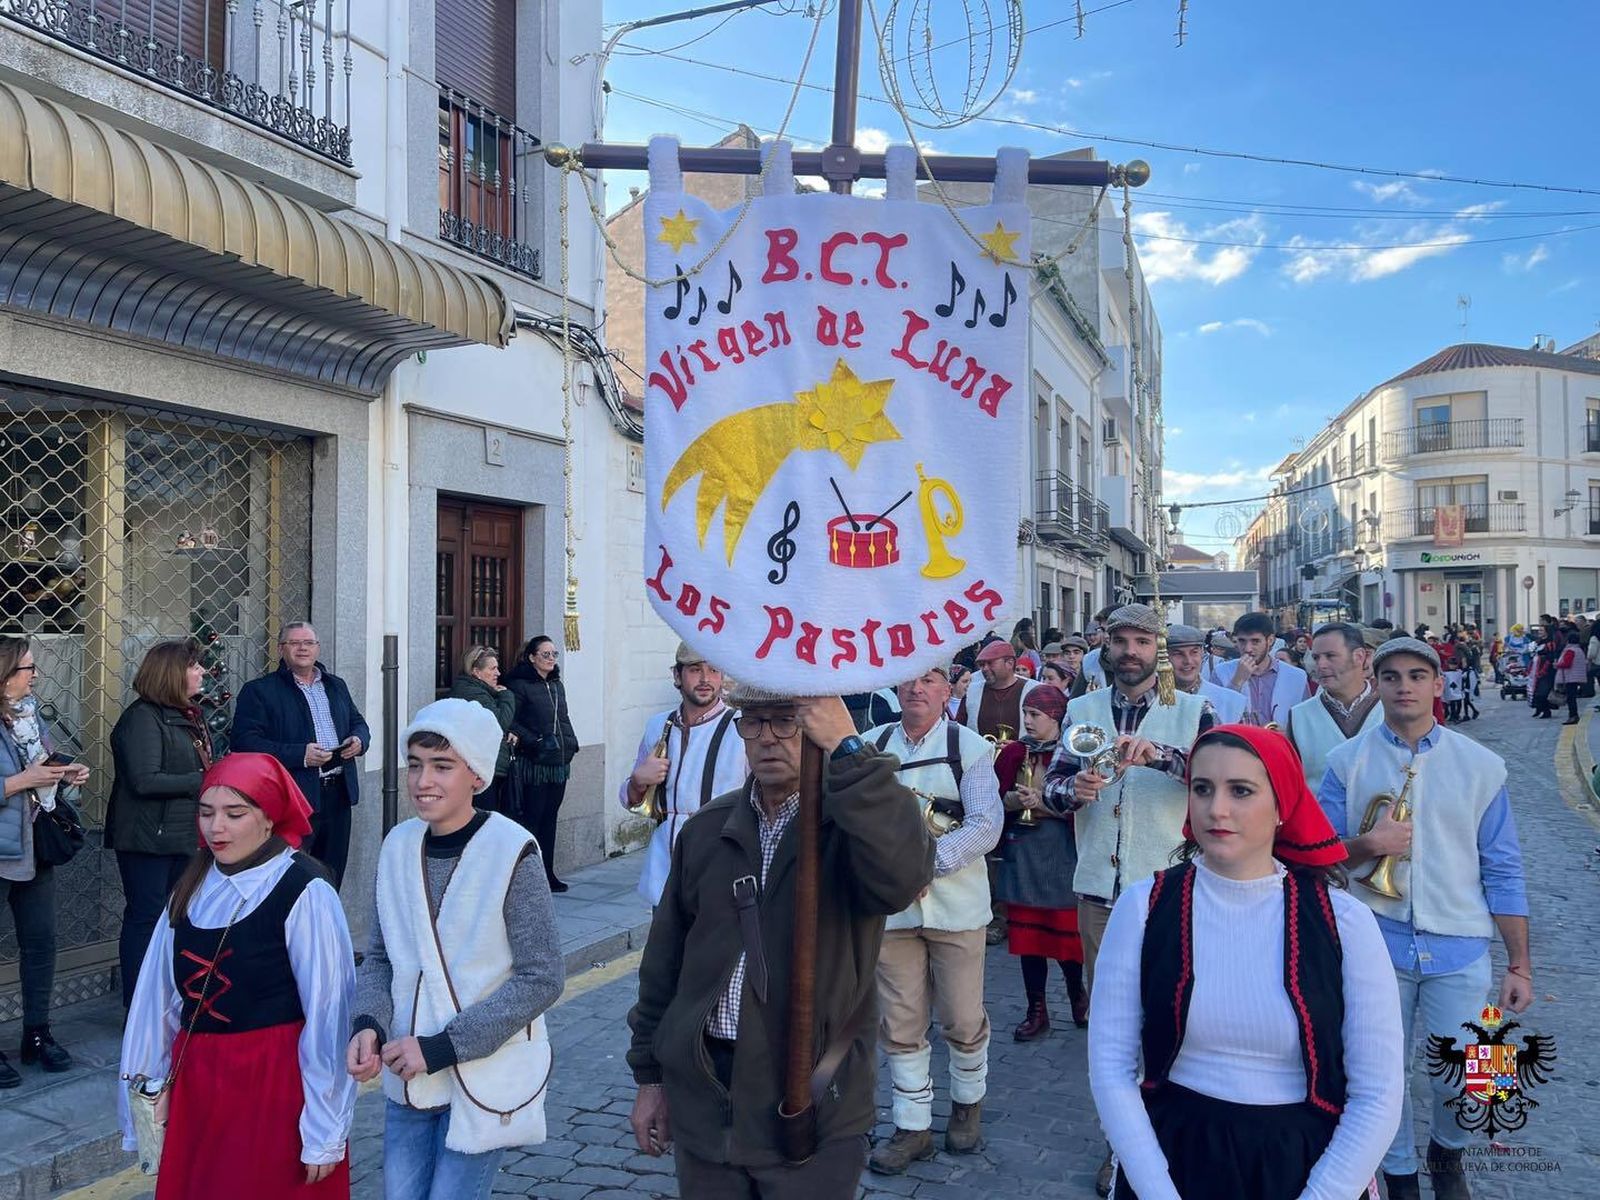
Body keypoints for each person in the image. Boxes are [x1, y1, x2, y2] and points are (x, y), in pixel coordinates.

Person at [626, 689, 934, 1196]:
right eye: (755, 722)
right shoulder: (707, 830)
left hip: (812, 1099)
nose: (768, 737)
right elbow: (664, 966)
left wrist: (848, 748)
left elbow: (903, 873)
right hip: (708, 1095)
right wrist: (651, 1079)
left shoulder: (849, 827)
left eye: (786, 722)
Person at [1090, 725, 1403, 1200]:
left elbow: (1378, 1091)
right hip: (1173, 1158)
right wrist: (1157, 1190)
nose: (1217, 809)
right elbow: (1111, 1067)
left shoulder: (1344, 921)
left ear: (1282, 805)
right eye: (1202, 788)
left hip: (1304, 1164)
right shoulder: (1144, 907)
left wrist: (1323, 1194)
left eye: (1241, 791)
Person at [1319, 638, 1531, 1200]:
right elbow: (1317, 857)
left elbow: (1504, 868)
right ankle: (1400, 1173)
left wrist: (1520, 966)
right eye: (1392, 676)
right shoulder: (1347, 762)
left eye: (1417, 675)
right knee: (1378, 1076)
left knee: (1471, 1077)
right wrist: (1368, 843)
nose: (1404, 686)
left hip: (1460, 947)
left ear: (1438, 685)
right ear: (1378, 683)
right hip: (1375, 944)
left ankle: (1449, 1152)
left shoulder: (1483, 767)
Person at [348, 699, 563, 1200]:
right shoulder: (398, 846)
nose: (424, 780)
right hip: (408, 1076)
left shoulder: (513, 850)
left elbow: (542, 976)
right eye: (416, 764)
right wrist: (367, 1023)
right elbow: (382, 956)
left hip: (481, 1073)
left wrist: (443, 1047)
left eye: (443, 766)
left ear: (477, 776)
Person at [119, 753, 358, 1198]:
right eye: (207, 813)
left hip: (274, 1086)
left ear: (268, 819)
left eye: (234, 813)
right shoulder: (191, 887)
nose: (216, 828)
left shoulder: (304, 890)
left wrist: (325, 1129)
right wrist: (143, 1096)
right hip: (199, 1085)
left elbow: (329, 1015)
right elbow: (156, 1003)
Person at [1042, 604, 1215, 1197]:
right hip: (1098, 887)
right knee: (1113, 1026)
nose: (1131, 650)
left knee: (1173, 1017)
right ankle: (1118, 1148)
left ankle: (1169, 1135)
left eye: (1143, 640)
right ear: (1107, 646)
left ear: (1158, 648)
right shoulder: (1082, 710)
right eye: (1121, 640)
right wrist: (1076, 789)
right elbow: (1053, 784)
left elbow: (1216, 779)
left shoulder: (1192, 709)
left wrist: (1163, 758)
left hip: (1168, 886)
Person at [865, 669, 1003, 1173]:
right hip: (892, 912)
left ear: (949, 690)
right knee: (900, 1023)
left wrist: (924, 865)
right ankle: (912, 1126)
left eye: (931, 680)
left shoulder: (969, 746)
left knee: (963, 1019)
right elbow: (850, 816)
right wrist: (893, 872)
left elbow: (986, 824)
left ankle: (967, 1104)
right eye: (908, 681)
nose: (917, 689)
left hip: (957, 908)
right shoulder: (870, 744)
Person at [1, 636, 91, 1085]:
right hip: (1, 850)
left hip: (34, 845)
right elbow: (21, 779)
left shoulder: (30, 715)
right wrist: (22, 781)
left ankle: (37, 1033)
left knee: (41, 944)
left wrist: (64, 773)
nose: (35, 675)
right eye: (26, 669)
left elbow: (42, 769)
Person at [108, 639, 214, 1009]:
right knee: (145, 918)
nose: (202, 672)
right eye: (194, 666)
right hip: (146, 837)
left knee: (178, 918)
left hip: (184, 834)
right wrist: (204, 780)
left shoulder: (191, 715)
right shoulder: (141, 718)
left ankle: (170, 998)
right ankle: (138, 1007)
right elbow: (144, 779)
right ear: (172, 673)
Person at [231, 622, 370, 888]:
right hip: (293, 797)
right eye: (294, 643)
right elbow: (243, 743)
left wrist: (359, 740)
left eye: (308, 643)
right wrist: (300, 755)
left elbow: (358, 722)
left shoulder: (335, 685)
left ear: (317, 648)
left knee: (331, 875)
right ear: (281, 649)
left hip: (338, 794)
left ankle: (324, 928)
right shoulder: (260, 690)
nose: (302, 648)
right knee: (291, 877)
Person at [992, 684, 1086, 1041]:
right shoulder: (1015, 752)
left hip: (1063, 852)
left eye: (1036, 715)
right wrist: (1015, 801)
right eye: (1026, 714)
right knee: (1029, 942)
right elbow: (993, 799)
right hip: (1024, 853)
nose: (1028, 721)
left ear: (1056, 718)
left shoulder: (1074, 752)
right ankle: (1037, 1010)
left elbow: (1085, 804)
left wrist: (1046, 804)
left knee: (1067, 938)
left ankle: (1078, 995)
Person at [621, 642, 747, 906]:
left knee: (711, 946)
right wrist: (638, 781)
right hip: (665, 864)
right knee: (664, 946)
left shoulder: (742, 728)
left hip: (720, 861)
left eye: (714, 670)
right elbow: (631, 800)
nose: (705, 679)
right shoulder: (658, 725)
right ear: (677, 676)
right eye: (694, 669)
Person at [505, 635, 580, 892]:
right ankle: (528, 877)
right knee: (533, 821)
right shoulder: (519, 685)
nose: (551, 659)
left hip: (559, 762)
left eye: (554, 654)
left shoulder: (557, 685)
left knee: (550, 819)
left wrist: (571, 744)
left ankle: (548, 873)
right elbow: (510, 720)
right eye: (545, 654)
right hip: (535, 763)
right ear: (532, 657)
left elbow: (564, 718)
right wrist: (534, 741)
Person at [1287, 622, 1382, 802]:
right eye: (1316, 658)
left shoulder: (1390, 710)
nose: (1321, 665)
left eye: (1330, 656)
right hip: (1322, 826)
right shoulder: (1299, 716)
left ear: (1359, 656)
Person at [448, 645, 518, 813]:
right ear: (476, 672)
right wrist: (507, 695)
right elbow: (499, 722)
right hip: (480, 770)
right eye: (492, 668)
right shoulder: (473, 693)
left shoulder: (481, 691)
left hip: (486, 768)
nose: (498, 673)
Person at [1211, 612, 1311, 727]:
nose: (1248, 649)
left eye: (1255, 641)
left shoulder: (1296, 676)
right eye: (1242, 641)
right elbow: (1216, 719)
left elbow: (1306, 722)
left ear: (1270, 640)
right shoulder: (1221, 672)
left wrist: (1287, 734)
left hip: (1279, 743)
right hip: (1238, 743)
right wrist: (1236, 682)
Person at [957, 641, 1041, 740]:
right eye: (982, 664)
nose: (984, 668)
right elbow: (959, 730)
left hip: (1022, 754)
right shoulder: (971, 692)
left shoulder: (1034, 690)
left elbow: (1046, 733)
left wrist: (1018, 748)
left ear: (1009, 663)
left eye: (990, 663)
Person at [1164, 624, 1245, 723]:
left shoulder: (1232, 702)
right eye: (1178, 654)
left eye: (1194, 652)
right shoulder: (1148, 700)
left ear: (1202, 653)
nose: (1188, 661)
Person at [1555, 630, 1587, 725]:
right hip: (1576, 676)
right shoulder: (1579, 649)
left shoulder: (1570, 650)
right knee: (1572, 697)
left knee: (1571, 698)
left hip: (1570, 677)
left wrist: (1557, 664)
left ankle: (1573, 716)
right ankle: (1573, 715)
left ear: (1568, 640)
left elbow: (1567, 664)